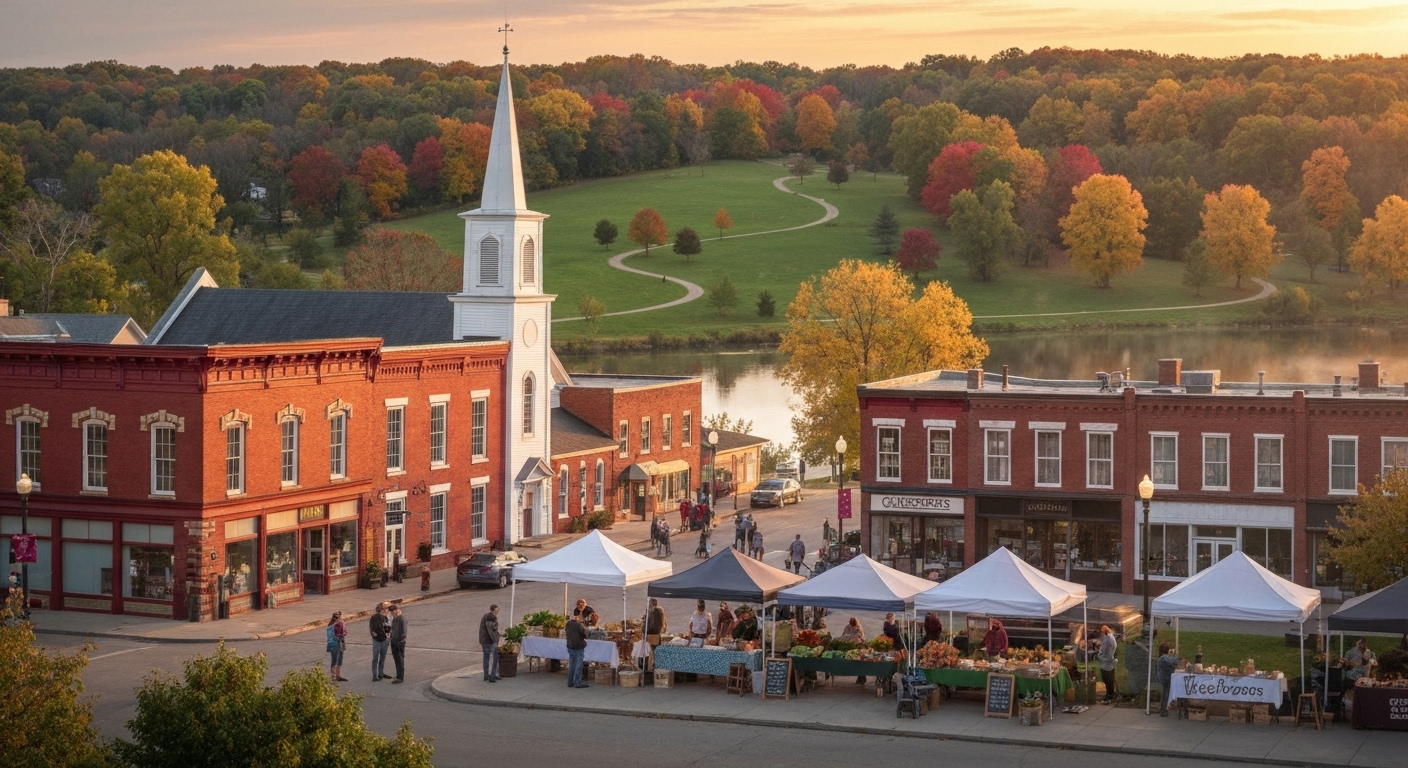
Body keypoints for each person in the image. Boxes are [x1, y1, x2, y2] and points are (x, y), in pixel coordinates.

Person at [566, 611, 589, 688]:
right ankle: (577, 682)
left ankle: (570, 682)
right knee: (578, 666)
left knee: (572, 665)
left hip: (570, 646)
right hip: (578, 646)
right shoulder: (578, 625)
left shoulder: (568, 624)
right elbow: (584, 635)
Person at [1156, 642, 1180, 716]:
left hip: (1164, 678)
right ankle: (1163, 710)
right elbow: (1173, 661)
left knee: (1165, 694)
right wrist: (1175, 656)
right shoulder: (1164, 658)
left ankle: (1164, 708)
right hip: (1166, 679)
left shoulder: (1162, 657)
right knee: (1166, 695)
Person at [841, 618, 867, 684]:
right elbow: (843, 635)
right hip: (849, 647)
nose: (852, 626)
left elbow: (860, 637)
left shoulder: (859, 627)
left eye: (853, 625)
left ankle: (861, 678)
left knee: (860, 663)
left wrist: (855, 638)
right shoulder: (847, 627)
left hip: (858, 648)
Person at [479, 604, 501, 683]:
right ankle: (492, 675)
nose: (496, 612)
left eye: (497, 611)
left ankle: (486, 675)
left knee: (487, 658)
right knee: (494, 658)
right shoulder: (490, 618)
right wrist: (496, 640)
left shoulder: (487, 616)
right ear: (492, 610)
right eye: (495, 611)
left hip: (485, 640)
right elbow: (491, 631)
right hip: (488, 641)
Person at [369, 602, 391, 681]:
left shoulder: (386, 618)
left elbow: (387, 629)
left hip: (384, 640)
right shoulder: (375, 618)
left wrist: (388, 637)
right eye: (385, 609)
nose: (386, 610)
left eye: (387, 609)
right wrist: (381, 634)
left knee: (383, 657)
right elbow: (374, 629)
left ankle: (381, 673)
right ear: (380, 609)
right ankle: (375, 675)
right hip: (377, 640)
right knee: (375, 658)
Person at [1097, 625, 1118, 704]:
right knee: (1106, 680)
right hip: (1106, 662)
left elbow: (1109, 649)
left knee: (1109, 680)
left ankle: (1110, 695)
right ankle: (1109, 694)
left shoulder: (1109, 639)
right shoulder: (1107, 637)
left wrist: (1102, 657)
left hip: (1107, 662)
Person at [326, 611, 348, 682]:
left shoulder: (340, 625)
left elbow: (342, 635)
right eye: (340, 618)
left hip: (340, 644)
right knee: (334, 661)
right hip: (334, 645)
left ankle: (338, 675)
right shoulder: (331, 627)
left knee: (339, 661)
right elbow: (331, 637)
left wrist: (343, 643)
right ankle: (333, 676)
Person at [389, 604, 408, 683]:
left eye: (394, 611)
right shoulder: (395, 619)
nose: (393, 613)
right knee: (396, 659)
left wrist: (400, 640)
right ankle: (398, 675)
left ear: (397, 610)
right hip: (394, 640)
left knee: (399, 659)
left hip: (399, 642)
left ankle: (400, 677)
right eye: (391, 612)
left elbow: (403, 631)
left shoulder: (402, 619)